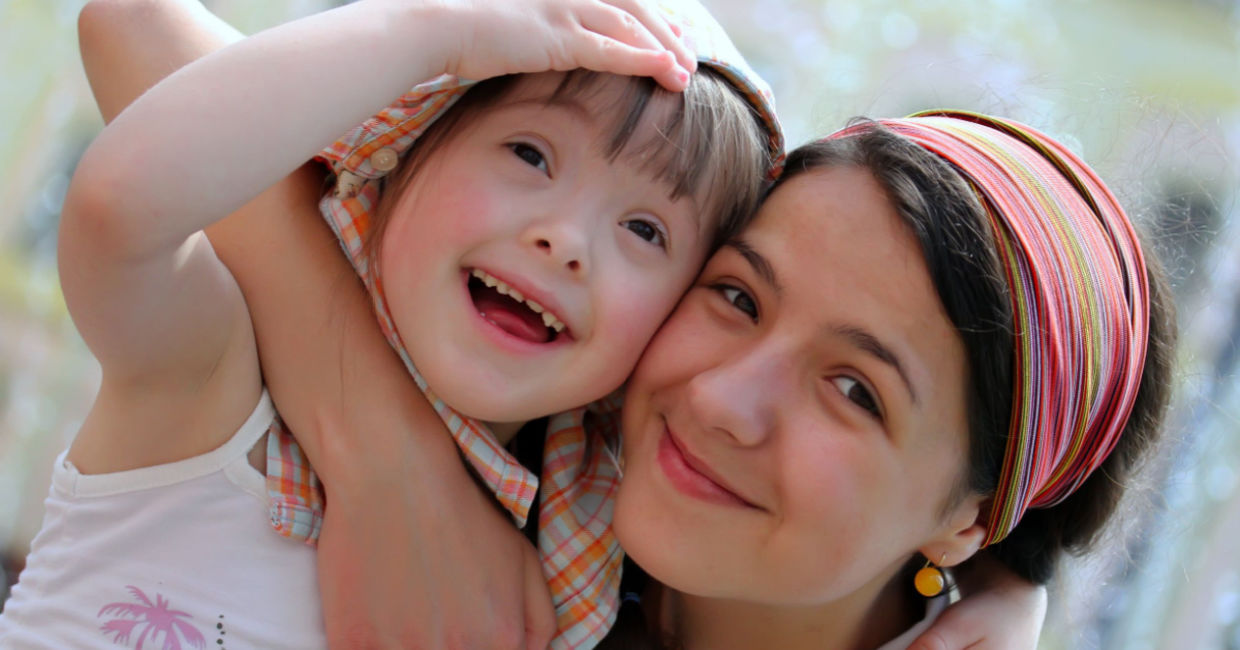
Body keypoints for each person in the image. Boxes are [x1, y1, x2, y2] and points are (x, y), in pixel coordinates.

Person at [3, 1, 1052, 649]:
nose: (565, 240)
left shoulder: (568, 553)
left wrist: (994, 586)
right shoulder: (222, 383)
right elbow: (120, 194)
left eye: (646, 230)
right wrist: (438, 29)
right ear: (399, 157)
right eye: (528, 156)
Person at [601, 114, 1175, 648]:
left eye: (855, 392)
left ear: (970, 520)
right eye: (739, 298)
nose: (716, 399)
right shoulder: (542, 442)